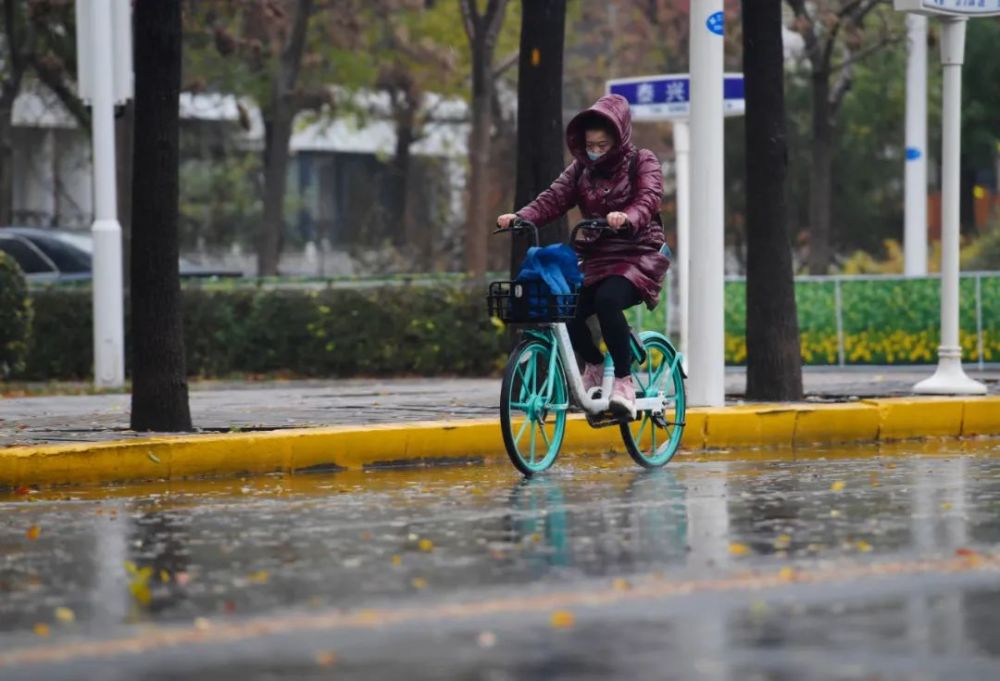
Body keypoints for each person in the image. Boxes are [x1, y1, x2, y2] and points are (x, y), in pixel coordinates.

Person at [497, 94, 669, 419]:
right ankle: (592, 364)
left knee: (607, 300)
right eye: (591, 145)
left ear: (619, 139)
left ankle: (623, 380)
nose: (595, 151)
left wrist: (627, 215)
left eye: (603, 145)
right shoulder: (581, 170)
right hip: (598, 256)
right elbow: (553, 198)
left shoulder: (642, 161)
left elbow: (649, 198)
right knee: (567, 306)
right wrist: (521, 216)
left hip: (637, 254)